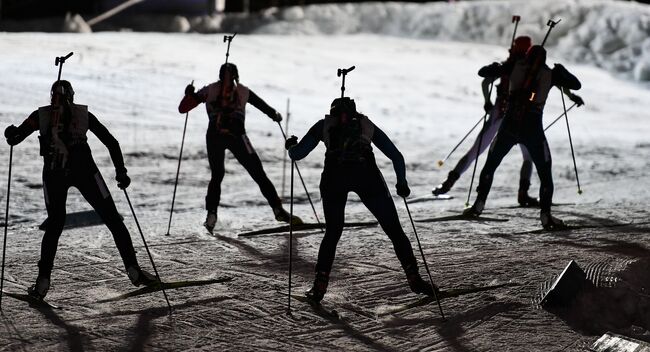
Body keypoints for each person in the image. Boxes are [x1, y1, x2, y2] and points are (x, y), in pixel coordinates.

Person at [4, 80, 157, 300]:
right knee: (113, 220)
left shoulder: (41, 115)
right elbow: (111, 142)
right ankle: (133, 269)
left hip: (54, 172)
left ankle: (42, 283)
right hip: (85, 169)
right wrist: (120, 171)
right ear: (72, 97)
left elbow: (15, 138)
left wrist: (11, 133)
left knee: (55, 225)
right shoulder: (83, 114)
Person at [286, 97, 437, 303]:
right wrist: (401, 183)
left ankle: (319, 287)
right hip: (367, 177)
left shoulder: (324, 125)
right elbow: (396, 156)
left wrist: (291, 146)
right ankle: (414, 277)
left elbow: (298, 154)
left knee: (332, 232)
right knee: (393, 229)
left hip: (334, 179)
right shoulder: (366, 125)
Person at [433, 36, 583, 206]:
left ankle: (449, 183)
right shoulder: (536, 69)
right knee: (528, 157)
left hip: (500, 113)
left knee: (477, 151)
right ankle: (523, 193)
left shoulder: (512, 65)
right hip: (526, 120)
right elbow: (559, 82)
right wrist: (572, 96)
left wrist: (487, 102)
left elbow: (485, 81)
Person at [464, 45, 584, 229]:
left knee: (491, 165)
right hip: (533, 129)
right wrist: (561, 70)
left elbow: (483, 72)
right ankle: (545, 216)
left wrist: (504, 65)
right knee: (545, 173)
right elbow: (576, 84)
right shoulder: (550, 74)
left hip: (508, 127)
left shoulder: (514, 67)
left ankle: (479, 205)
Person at [179, 63, 302, 234]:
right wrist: (275, 115)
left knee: (217, 175)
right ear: (237, 76)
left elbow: (183, 108)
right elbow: (263, 106)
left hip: (214, 137)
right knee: (258, 173)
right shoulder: (243, 91)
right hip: (238, 137)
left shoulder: (210, 90)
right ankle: (278, 210)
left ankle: (211, 215)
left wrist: (189, 94)